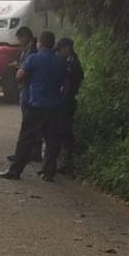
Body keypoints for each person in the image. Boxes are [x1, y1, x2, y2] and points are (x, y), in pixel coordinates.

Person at [0, 31, 67, 182]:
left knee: (26, 139)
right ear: (53, 44)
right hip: (55, 106)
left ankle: (15, 171)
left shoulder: (34, 58)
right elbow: (63, 80)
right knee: (52, 140)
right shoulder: (60, 61)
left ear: (39, 43)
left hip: (36, 104)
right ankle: (48, 172)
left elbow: (20, 75)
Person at [6, 26, 42, 163]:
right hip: (26, 87)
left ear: (25, 36)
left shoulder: (31, 50)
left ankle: (26, 154)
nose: (19, 41)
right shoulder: (29, 48)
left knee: (28, 122)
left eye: (20, 38)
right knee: (31, 122)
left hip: (27, 87)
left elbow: (27, 67)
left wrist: (19, 68)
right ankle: (33, 152)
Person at [56, 37, 84, 175]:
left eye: (61, 50)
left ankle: (66, 163)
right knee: (64, 131)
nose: (59, 53)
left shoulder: (70, 63)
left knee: (64, 131)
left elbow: (68, 84)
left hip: (66, 102)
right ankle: (65, 161)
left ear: (66, 48)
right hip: (68, 101)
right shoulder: (73, 61)